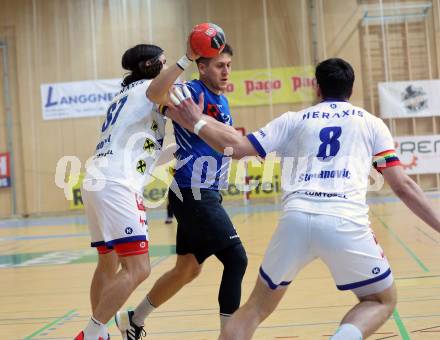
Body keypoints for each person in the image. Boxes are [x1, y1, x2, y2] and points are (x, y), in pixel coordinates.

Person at [165, 58, 440, 340]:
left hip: (295, 220)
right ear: (351, 89)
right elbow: (403, 186)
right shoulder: (371, 124)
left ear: (316, 87)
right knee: (381, 300)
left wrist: (196, 122)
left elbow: (237, 149)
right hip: (345, 220)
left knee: (253, 309)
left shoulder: (293, 120)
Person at [115, 42, 248, 339]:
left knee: (187, 269)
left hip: (206, 190)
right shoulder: (192, 90)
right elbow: (156, 95)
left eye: (228, 65)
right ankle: (230, 335)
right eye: (218, 65)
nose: (225, 71)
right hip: (193, 190)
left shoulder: (220, 100)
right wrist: (184, 64)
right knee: (237, 259)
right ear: (202, 67)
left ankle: (133, 319)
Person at [74, 44, 168, 340]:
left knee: (108, 260)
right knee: (139, 268)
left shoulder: (125, 95)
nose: (167, 70)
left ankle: (99, 335)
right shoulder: (151, 89)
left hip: (96, 177)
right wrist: (188, 58)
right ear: (151, 65)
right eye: (163, 63)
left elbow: (145, 148)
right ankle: (91, 334)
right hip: (117, 182)